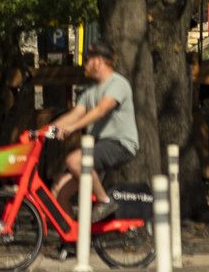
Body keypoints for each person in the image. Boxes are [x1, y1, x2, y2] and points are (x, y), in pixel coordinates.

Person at [37, 50, 138, 209]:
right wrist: (43, 131)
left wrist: (71, 128)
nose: (84, 64)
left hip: (120, 143)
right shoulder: (90, 91)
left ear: (99, 61)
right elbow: (75, 114)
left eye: (87, 60)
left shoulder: (118, 84)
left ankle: (104, 201)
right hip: (98, 144)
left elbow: (100, 110)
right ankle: (72, 233)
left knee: (74, 160)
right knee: (58, 190)